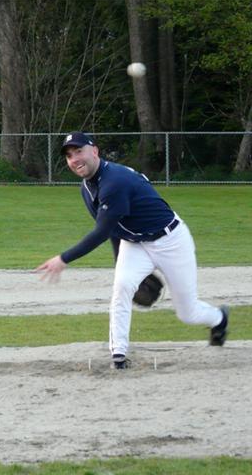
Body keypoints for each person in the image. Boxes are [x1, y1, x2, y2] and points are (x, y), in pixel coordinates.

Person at [36, 131, 229, 369]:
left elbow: (101, 232)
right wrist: (121, 264)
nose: (74, 159)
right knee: (122, 286)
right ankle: (118, 354)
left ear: (94, 151)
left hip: (171, 241)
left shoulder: (114, 182)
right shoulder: (87, 187)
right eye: (69, 155)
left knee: (187, 313)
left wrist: (64, 259)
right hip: (135, 244)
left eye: (79, 151)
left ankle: (219, 318)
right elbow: (113, 229)